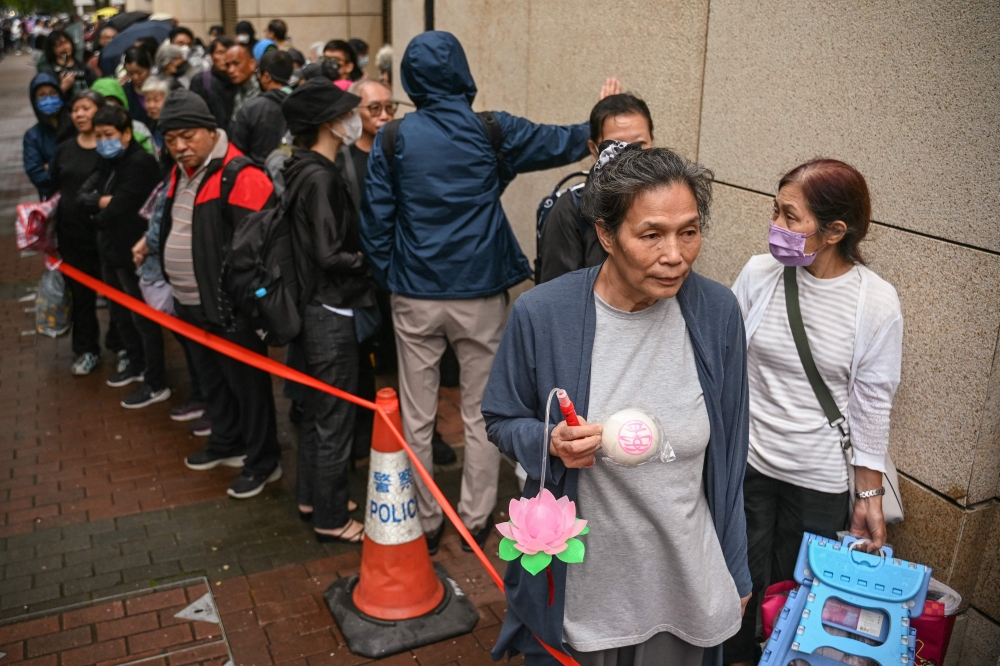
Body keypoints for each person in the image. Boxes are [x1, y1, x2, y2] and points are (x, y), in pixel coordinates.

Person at [482, 143, 751, 665]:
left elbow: (732, 455)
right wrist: (549, 441)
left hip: (685, 585)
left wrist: (735, 567)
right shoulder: (543, 313)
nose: (674, 255)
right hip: (586, 599)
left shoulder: (717, 312)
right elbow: (500, 418)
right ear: (606, 235)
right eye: (651, 235)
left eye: (688, 232)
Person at [360, 31, 597, 555]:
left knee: (417, 415)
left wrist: (394, 276)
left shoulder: (393, 137)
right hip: (481, 293)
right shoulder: (492, 129)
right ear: (464, 72)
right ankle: (473, 518)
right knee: (481, 412)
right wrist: (602, 117)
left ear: (410, 81)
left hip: (414, 295)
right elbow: (562, 140)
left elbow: (375, 224)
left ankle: (425, 520)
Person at [724, 159, 901, 666]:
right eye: (775, 211)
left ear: (834, 231)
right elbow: (727, 357)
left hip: (818, 484)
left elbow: (872, 402)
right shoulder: (760, 274)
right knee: (737, 592)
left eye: (790, 216)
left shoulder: (875, 302)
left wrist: (868, 496)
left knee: (796, 603)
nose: (775, 226)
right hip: (750, 467)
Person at [155, 89, 282, 499]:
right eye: (171, 140)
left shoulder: (241, 175)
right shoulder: (181, 170)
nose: (179, 147)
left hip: (229, 310)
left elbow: (256, 252)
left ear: (211, 131)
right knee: (211, 382)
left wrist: (239, 305)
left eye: (187, 136)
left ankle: (264, 461)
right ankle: (227, 442)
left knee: (249, 388)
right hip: (189, 304)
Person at [279, 79, 374, 542]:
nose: (353, 118)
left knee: (319, 413)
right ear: (329, 124)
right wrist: (370, 262)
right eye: (345, 112)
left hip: (312, 309)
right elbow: (328, 253)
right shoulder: (320, 177)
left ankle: (313, 497)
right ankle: (333, 518)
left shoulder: (302, 169)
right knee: (334, 418)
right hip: (330, 312)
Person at [78, 103, 168, 407]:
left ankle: (155, 380)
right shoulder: (106, 162)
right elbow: (83, 196)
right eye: (99, 135)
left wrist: (99, 206)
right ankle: (136, 364)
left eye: (109, 134)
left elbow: (120, 209)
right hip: (110, 251)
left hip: (134, 252)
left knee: (143, 317)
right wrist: (99, 203)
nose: (104, 141)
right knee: (120, 312)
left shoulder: (140, 163)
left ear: (127, 134)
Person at [536, 91, 654, 284]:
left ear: (652, 140)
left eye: (640, 144)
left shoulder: (668, 200)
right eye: (616, 146)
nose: (630, 154)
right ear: (593, 149)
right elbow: (558, 298)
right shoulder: (570, 209)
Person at [50, 90, 106, 376]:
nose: (80, 114)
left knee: (117, 294)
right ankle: (87, 350)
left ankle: (124, 348)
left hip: (105, 234)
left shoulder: (109, 148)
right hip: (72, 235)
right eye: (75, 110)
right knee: (81, 297)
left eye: (86, 108)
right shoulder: (64, 149)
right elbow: (54, 189)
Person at [230, 49, 293, 163]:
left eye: (258, 73)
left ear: (266, 76)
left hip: (258, 175)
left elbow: (237, 153)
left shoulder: (251, 108)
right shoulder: (302, 105)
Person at [23, 73, 66, 200]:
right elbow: (37, 175)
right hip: (52, 201)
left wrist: (50, 167)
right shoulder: (33, 136)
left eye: (53, 93)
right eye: (42, 95)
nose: (48, 98)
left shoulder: (75, 126)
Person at [90, 77, 157, 157]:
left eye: (110, 100)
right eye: (102, 101)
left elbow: (150, 159)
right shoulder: (88, 130)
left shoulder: (138, 128)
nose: (107, 105)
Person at [190, 36, 236, 132]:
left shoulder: (238, 80)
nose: (225, 58)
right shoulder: (201, 81)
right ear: (211, 56)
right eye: (220, 53)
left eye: (228, 52)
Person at [38, 29, 95, 101]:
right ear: (52, 49)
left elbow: (95, 84)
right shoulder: (48, 70)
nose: (64, 47)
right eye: (59, 45)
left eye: (66, 42)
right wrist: (63, 88)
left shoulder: (82, 67)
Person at [224, 43, 260, 124]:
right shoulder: (236, 92)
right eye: (227, 65)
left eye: (236, 63)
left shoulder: (262, 91)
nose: (231, 70)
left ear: (252, 64)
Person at [122, 46, 152, 126]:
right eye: (130, 74)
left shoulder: (161, 87)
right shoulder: (125, 92)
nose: (136, 77)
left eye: (139, 72)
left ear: (148, 68)